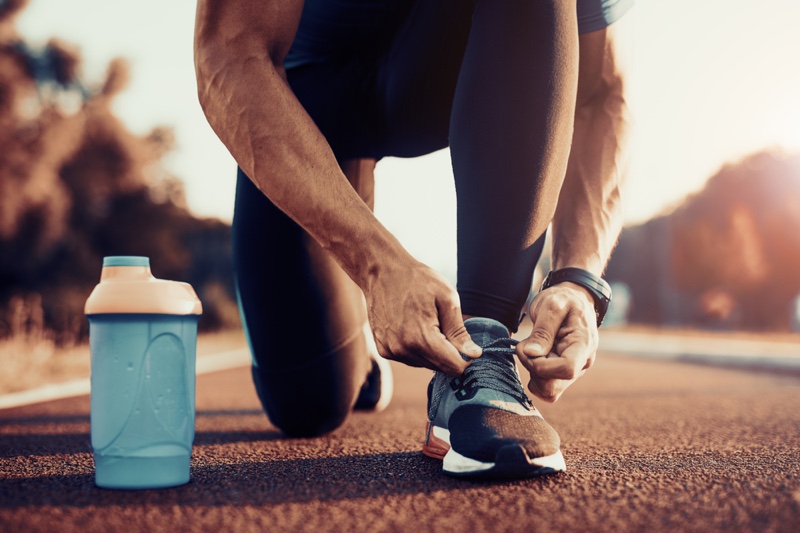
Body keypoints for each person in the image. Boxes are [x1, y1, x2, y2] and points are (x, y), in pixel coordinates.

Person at [194, 0, 632, 479]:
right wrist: (376, 263)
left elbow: (599, 93)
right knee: (307, 404)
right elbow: (229, 56)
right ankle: (357, 353)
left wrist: (579, 279)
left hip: (438, 74)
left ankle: (483, 358)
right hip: (306, 99)